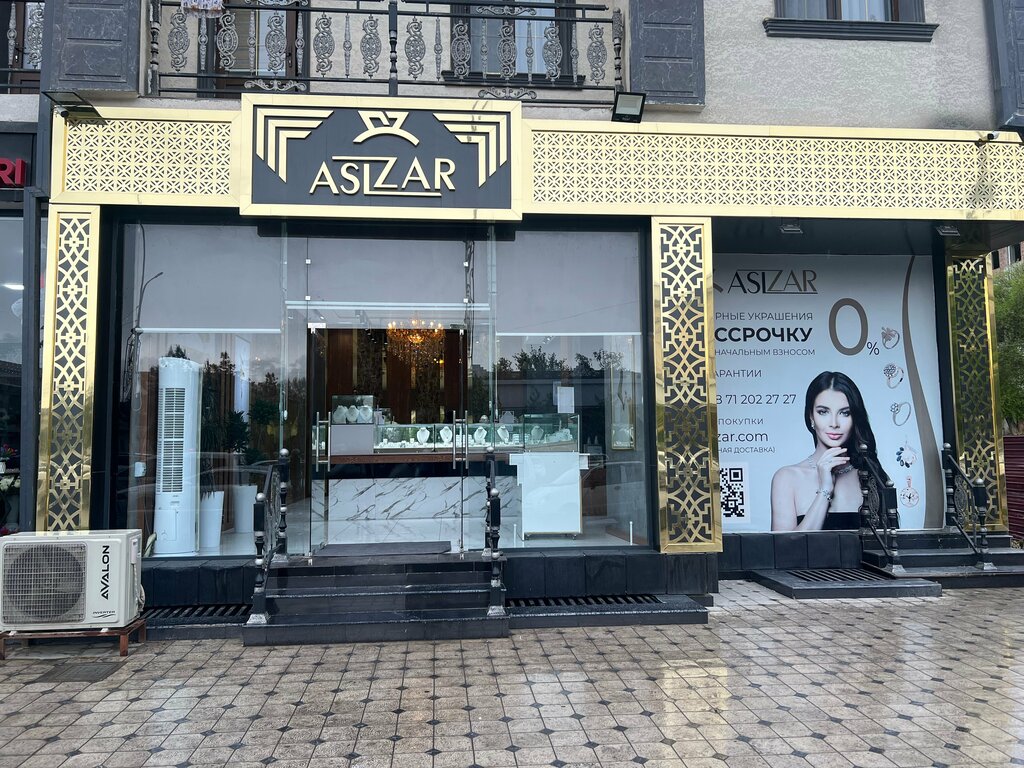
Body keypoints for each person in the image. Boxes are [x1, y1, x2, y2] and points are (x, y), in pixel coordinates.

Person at [770, 371, 878, 531]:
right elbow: (785, 546)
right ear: (811, 417)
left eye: (845, 413)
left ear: (854, 418)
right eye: (823, 412)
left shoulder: (869, 476)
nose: (834, 423)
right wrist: (825, 490)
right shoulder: (787, 478)